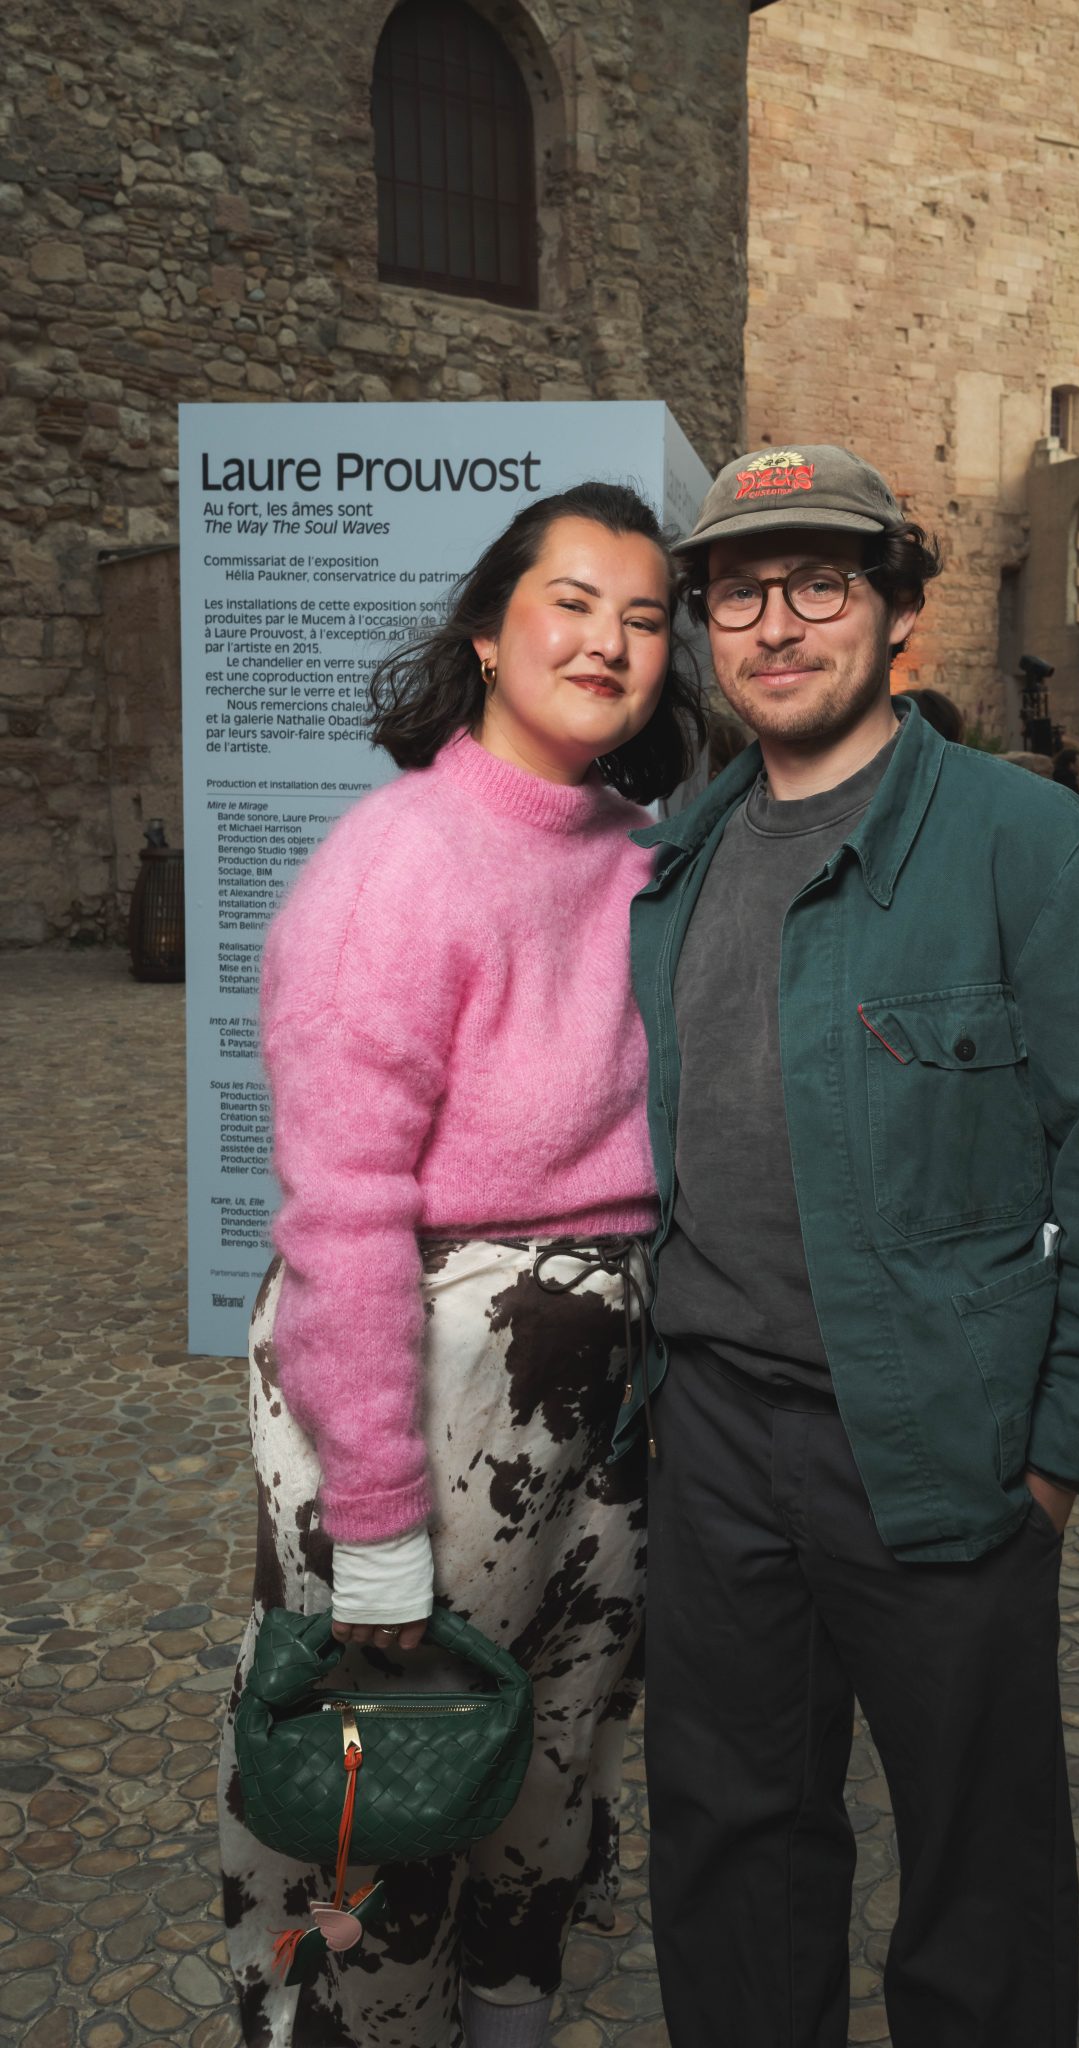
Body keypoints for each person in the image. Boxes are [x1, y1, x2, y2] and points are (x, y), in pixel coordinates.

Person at [622, 443, 1079, 2048]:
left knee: (977, 1871)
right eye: (738, 592)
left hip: (943, 1448)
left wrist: (1059, 1456)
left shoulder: (1026, 848)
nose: (776, 623)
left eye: (821, 582)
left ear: (899, 616)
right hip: (719, 1442)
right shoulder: (675, 865)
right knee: (731, 1845)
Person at [216, 482, 703, 2048]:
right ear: (489, 634)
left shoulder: (638, 857)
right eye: (571, 602)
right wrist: (371, 1528)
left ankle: (507, 2017)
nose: (609, 641)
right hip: (428, 1395)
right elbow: (343, 1214)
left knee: (552, 1763)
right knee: (380, 1787)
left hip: (602, 1394)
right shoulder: (395, 863)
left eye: (641, 617)